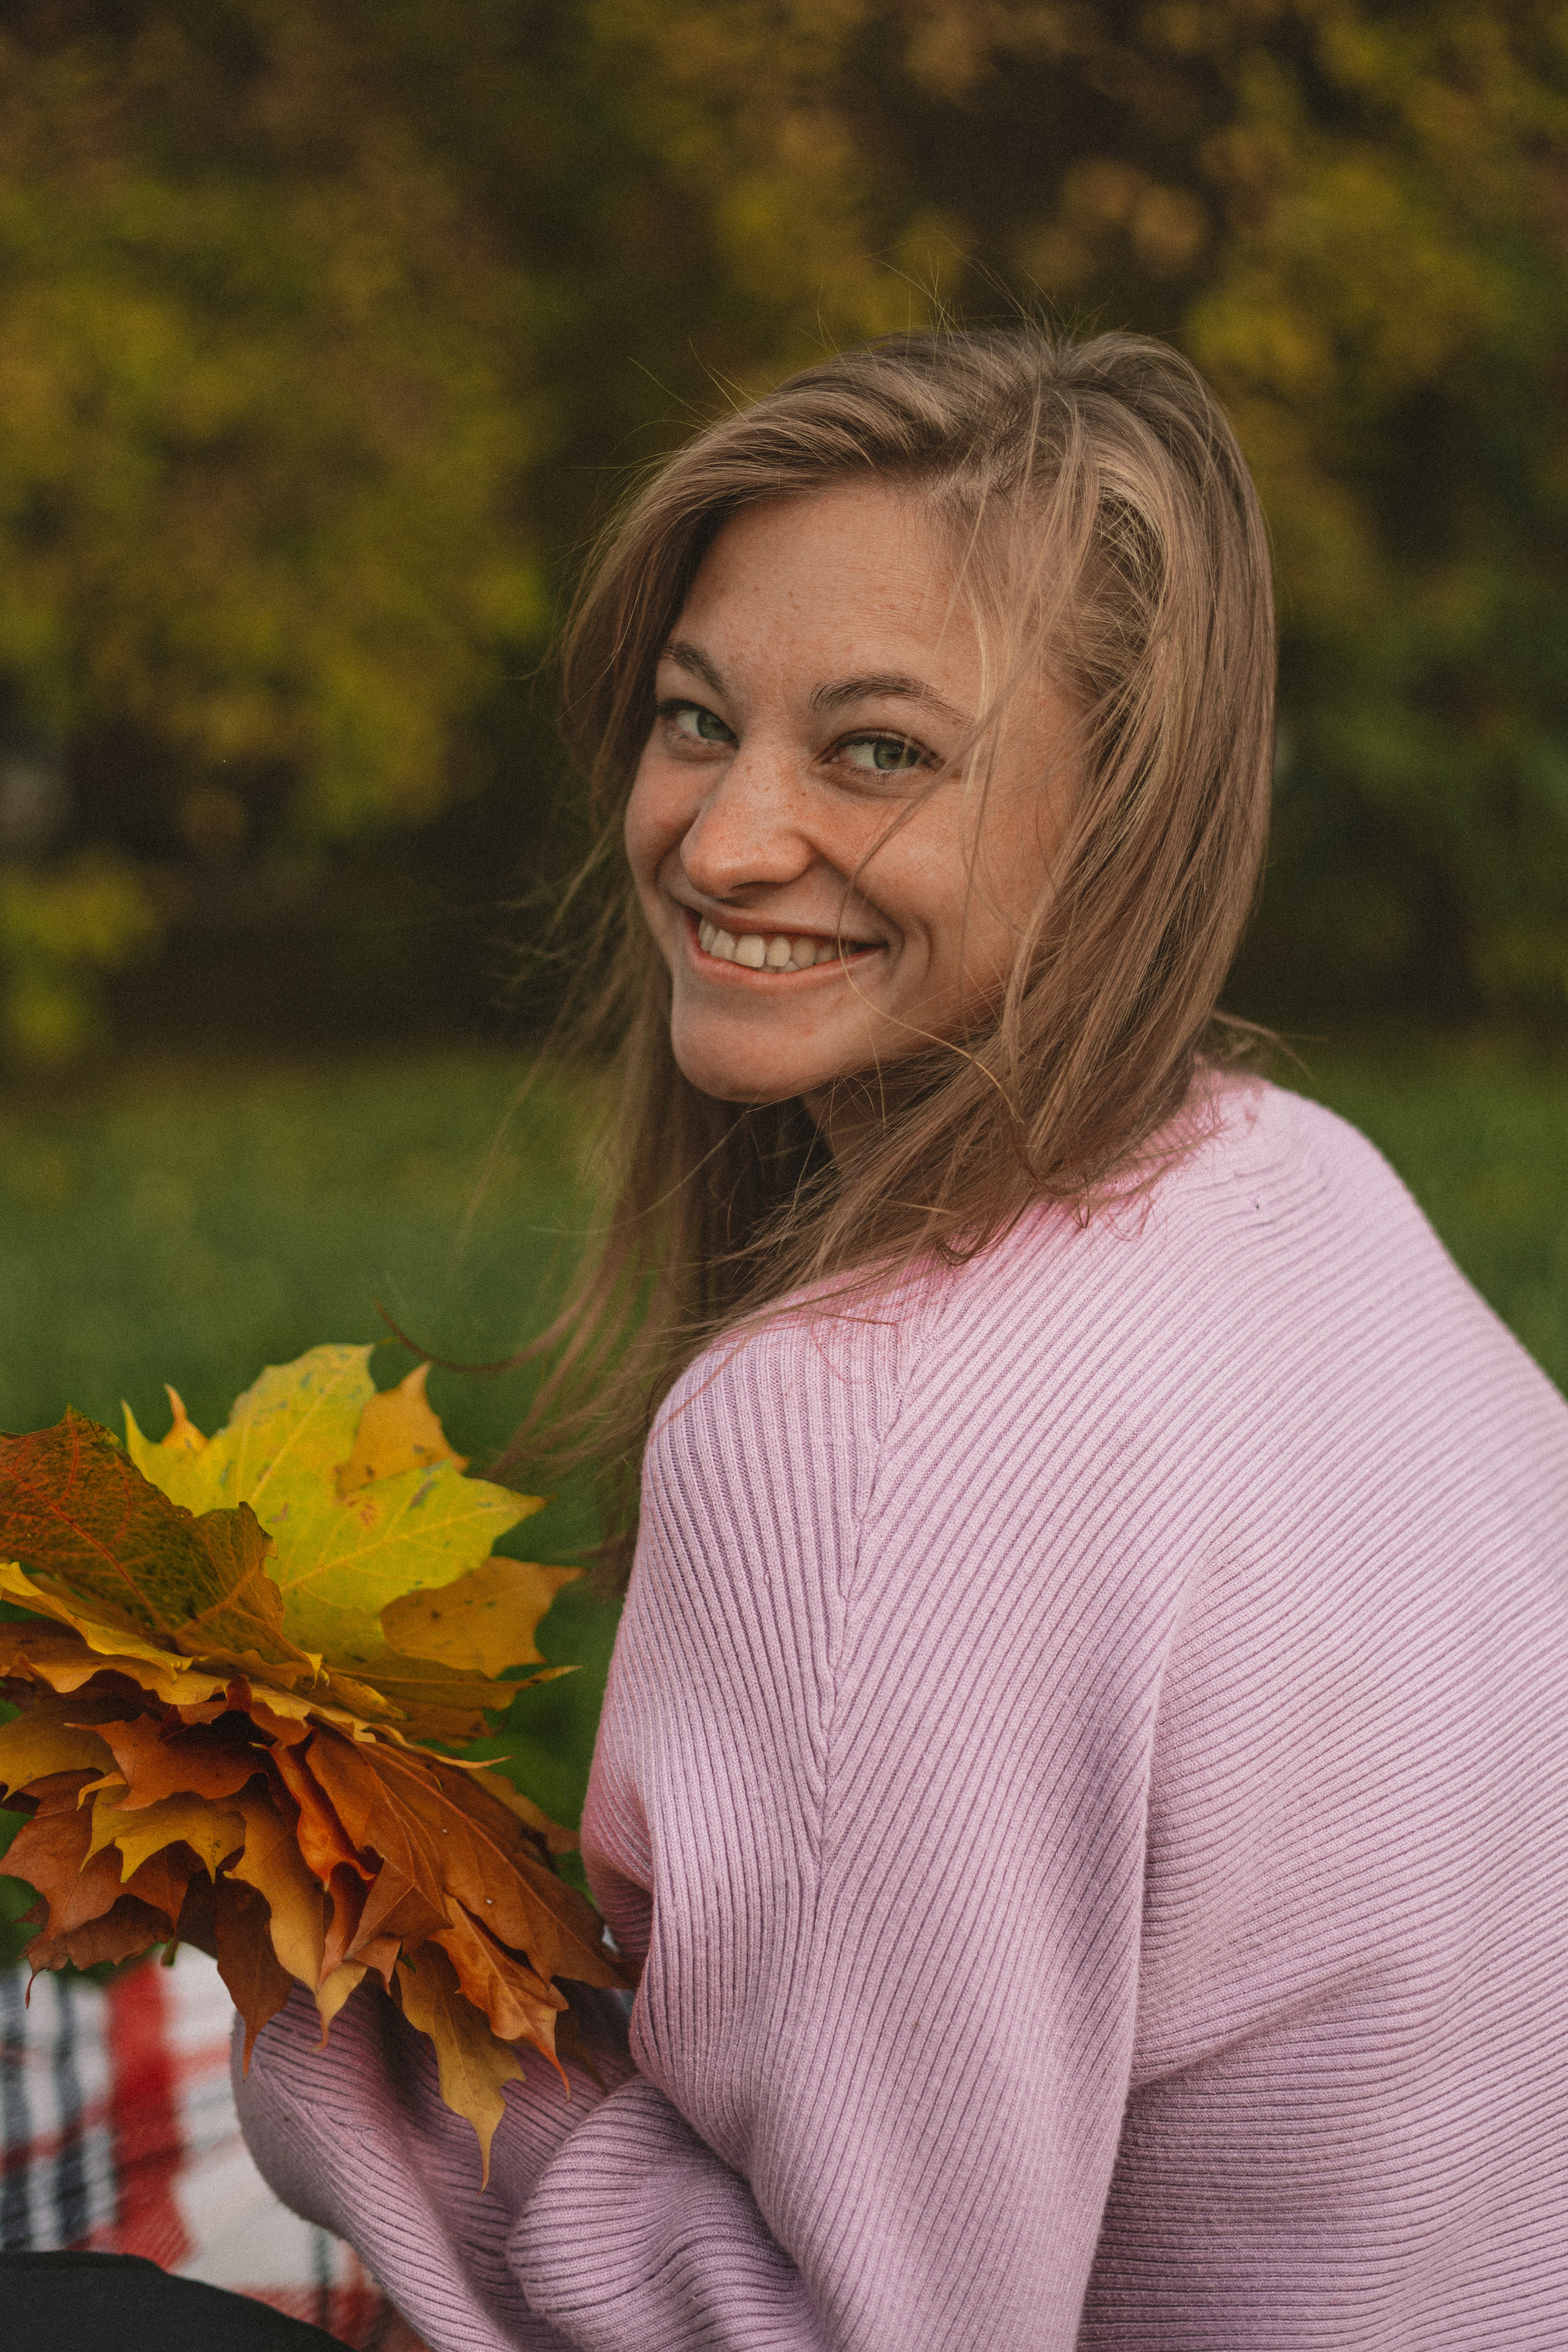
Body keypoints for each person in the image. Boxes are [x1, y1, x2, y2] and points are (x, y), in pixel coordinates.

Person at [234, 329, 1568, 2350]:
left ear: (1120, 809)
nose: (722, 840)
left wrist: (361, 2008)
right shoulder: (1300, 1175)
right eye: (697, 720)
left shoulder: (854, 1435)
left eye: (877, 753)